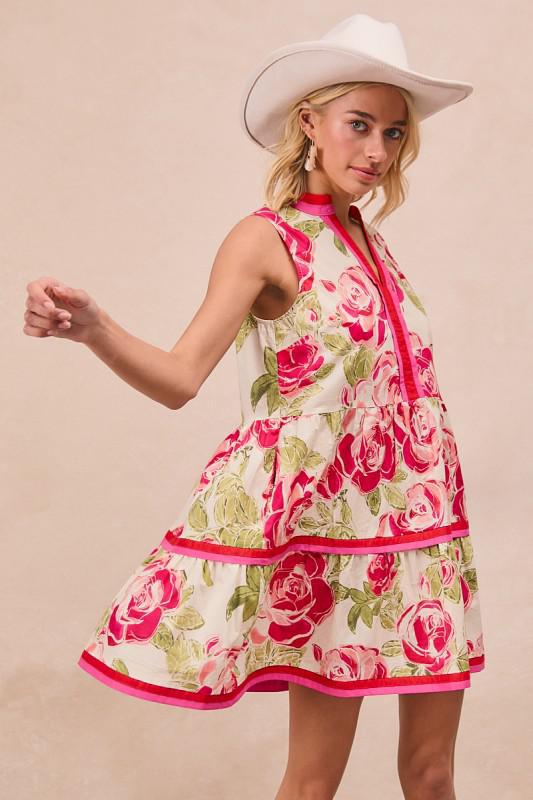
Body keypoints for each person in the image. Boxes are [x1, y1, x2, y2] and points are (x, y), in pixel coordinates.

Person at [23, 12, 486, 800]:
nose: (377, 151)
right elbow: (180, 377)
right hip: (332, 541)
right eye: (358, 124)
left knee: (431, 772)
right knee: (312, 782)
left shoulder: (370, 240)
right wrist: (94, 328)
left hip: (423, 533)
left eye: (393, 133)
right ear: (308, 122)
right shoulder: (265, 239)